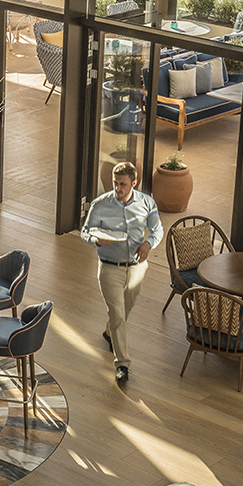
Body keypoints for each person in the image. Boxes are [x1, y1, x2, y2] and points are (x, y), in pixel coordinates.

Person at [80, 161, 163, 386]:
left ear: (134, 183)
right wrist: (96, 240)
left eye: (123, 184)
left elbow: (158, 230)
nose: (118, 188)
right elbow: (85, 232)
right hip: (109, 267)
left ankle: (109, 332)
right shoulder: (100, 204)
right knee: (117, 312)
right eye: (116, 183)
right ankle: (122, 364)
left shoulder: (147, 203)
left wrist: (149, 244)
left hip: (137, 267)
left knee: (125, 309)